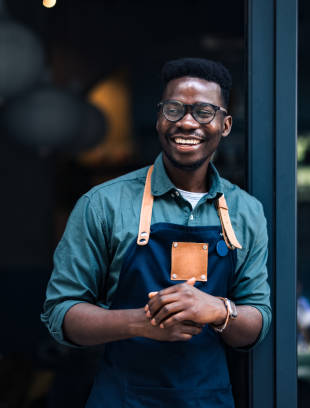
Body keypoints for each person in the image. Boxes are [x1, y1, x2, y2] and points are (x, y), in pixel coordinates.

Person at [41, 57, 271, 407]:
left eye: (204, 112)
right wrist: (139, 323)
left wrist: (220, 310)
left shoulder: (246, 212)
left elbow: (257, 322)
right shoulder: (103, 205)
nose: (187, 122)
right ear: (159, 117)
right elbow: (61, 315)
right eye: (174, 109)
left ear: (225, 125)